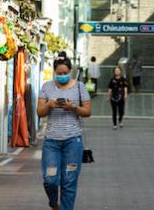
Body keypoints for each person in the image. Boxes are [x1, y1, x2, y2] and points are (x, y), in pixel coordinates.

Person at [37, 52, 92, 210]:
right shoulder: (47, 87)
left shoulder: (80, 87)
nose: (62, 76)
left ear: (70, 72)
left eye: (65, 73)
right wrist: (49, 105)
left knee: (69, 181)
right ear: (54, 72)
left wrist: (73, 107)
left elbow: (88, 111)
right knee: (50, 179)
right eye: (59, 73)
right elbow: (40, 112)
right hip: (51, 142)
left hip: (73, 141)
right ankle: (54, 203)